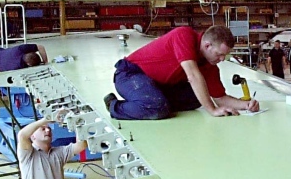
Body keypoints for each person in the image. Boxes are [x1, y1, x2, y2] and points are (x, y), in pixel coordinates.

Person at [105, 25, 260, 120]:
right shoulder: (184, 36)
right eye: (219, 54)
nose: (222, 59)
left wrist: (246, 105)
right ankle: (114, 106)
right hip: (130, 75)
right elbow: (192, 76)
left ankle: (153, 104)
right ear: (207, 46)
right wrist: (211, 110)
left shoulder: (210, 66)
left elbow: (220, 98)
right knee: (158, 107)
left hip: (157, 85)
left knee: (196, 97)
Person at [17, 110, 88, 179]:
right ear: (32, 136)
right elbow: (22, 135)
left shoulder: (59, 153)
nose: (47, 130)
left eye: (49, 128)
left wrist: (77, 122)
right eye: (43, 129)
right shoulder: (28, 155)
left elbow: (81, 145)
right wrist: (46, 119)